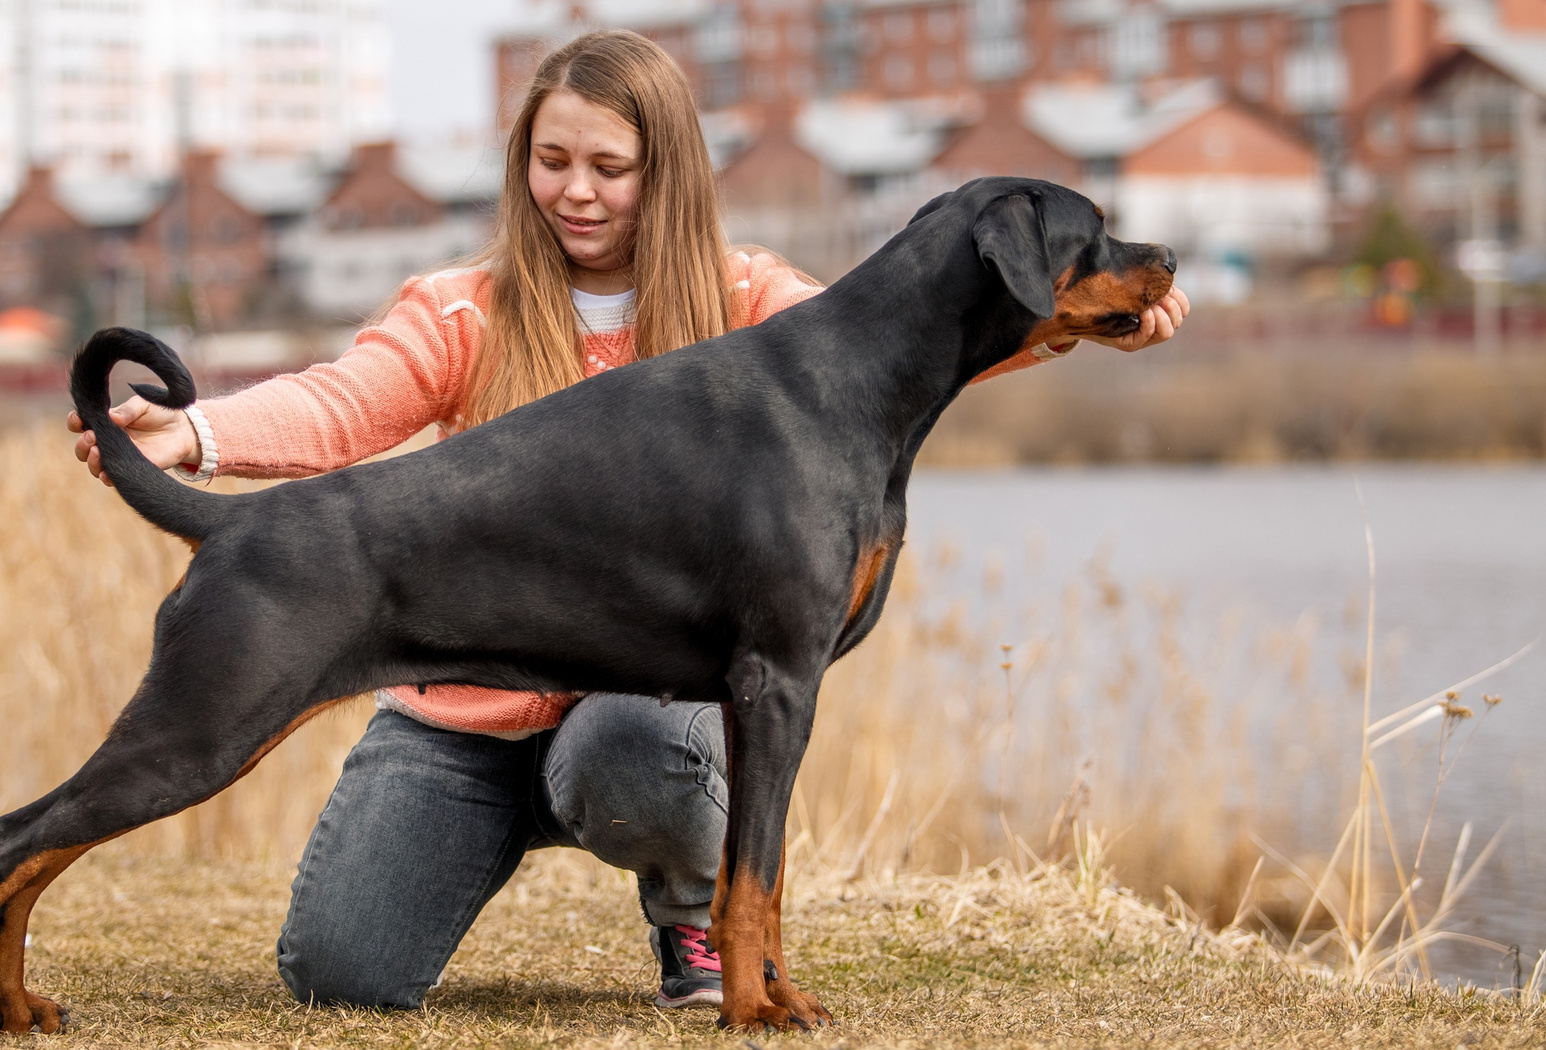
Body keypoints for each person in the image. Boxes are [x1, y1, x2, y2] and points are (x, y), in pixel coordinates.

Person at [69, 29, 1188, 1013]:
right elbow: (346, 400)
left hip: (626, 712)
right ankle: (479, 834)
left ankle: (694, 912)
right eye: (552, 162)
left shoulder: (745, 297)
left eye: (610, 165)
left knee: (641, 750)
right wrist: (194, 435)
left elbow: (890, 360)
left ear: (666, 173)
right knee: (342, 973)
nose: (578, 191)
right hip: (459, 717)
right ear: (522, 169)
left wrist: (1073, 325)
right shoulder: (466, 307)